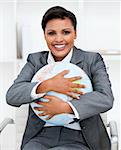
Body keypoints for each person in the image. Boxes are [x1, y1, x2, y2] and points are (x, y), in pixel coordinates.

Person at [6, 6, 114, 150]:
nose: (58, 39)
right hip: (41, 135)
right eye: (51, 33)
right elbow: (12, 95)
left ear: (75, 33)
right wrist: (47, 85)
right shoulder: (35, 60)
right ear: (44, 35)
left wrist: (65, 107)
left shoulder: (92, 60)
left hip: (81, 136)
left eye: (66, 32)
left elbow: (105, 98)